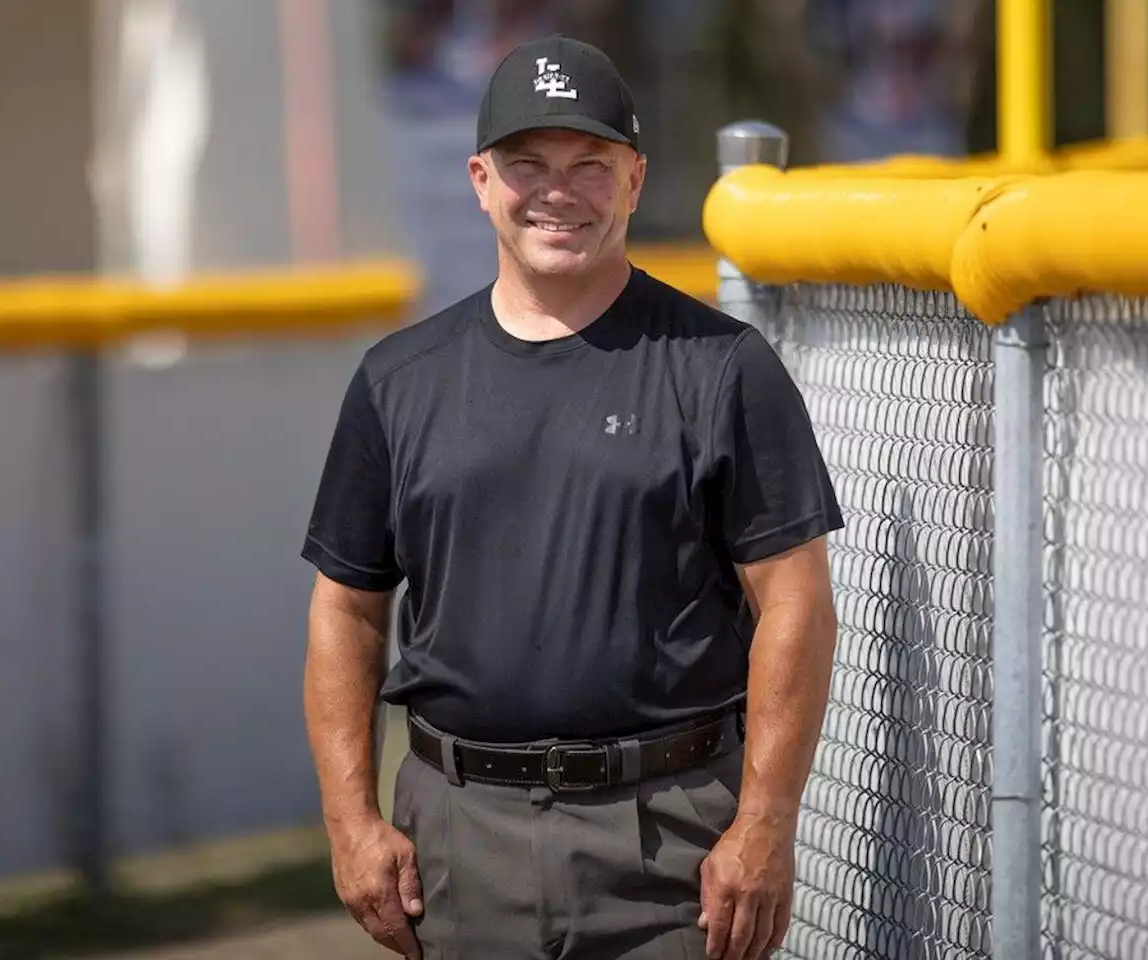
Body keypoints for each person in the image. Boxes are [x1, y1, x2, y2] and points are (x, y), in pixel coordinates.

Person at [301, 34, 841, 960]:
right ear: (479, 179)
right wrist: (349, 822)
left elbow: (795, 600)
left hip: (671, 844)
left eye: (590, 164)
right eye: (527, 165)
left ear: (635, 179)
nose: (558, 192)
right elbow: (347, 611)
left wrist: (764, 825)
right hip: (460, 841)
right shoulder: (399, 379)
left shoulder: (721, 368)